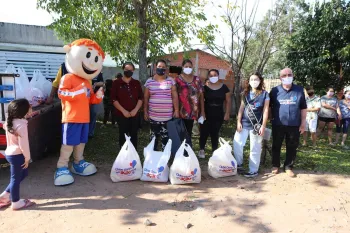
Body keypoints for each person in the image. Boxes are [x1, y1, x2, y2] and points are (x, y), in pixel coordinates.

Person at [269, 68, 307, 177]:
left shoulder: (299, 90)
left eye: (289, 74)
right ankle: (275, 165)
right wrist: (271, 118)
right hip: (278, 123)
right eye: (284, 75)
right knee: (276, 145)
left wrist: (303, 123)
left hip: (294, 124)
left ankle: (288, 166)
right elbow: (269, 106)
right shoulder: (274, 91)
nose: (287, 77)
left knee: (292, 146)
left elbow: (303, 107)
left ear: (293, 75)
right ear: (280, 78)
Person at [0, 99, 35, 210]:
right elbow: (23, 144)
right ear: (24, 111)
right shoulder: (21, 125)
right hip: (17, 155)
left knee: (23, 174)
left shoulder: (10, 122)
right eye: (29, 107)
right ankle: (15, 202)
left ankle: (5, 195)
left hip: (11, 153)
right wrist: (27, 158)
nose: (31, 108)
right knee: (15, 178)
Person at [233, 72, 269, 177]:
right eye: (252, 79)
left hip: (256, 126)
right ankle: (238, 165)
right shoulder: (245, 93)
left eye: (256, 79)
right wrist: (238, 121)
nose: (254, 81)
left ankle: (253, 170)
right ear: (249, 81)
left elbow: (265, 111)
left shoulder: (265, 94)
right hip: (243, 124)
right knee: (237, 144)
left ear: (260, 81)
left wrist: (263, 126)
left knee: (255, 148)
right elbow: (241, 109)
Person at [144, 59, 179, 150]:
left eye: (163, 67)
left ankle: (165, 160)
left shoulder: (171, 81)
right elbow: (146, 98)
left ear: (166, 69)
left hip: (167, 118)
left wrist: (176, 110)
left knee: (166, 140)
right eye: (159, 67)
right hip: (153, 117)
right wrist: (145, 111)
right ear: (156, 67)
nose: (161, 68)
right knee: (153, 139)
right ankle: (152, 159)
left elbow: (175, 96)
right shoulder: (149, 81)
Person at [198, 69, 231, 158]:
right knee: (204, 132)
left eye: (215, 75)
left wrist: (227, 113)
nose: (213, 77)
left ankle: (214, 151)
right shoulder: (205, 87)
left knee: (215, 132)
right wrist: (202, 112)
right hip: (206, 112)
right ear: (208, 77)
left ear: (218, 76)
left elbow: (228, 101)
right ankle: (201, 149)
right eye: (211, 76)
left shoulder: (224, 87)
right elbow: (201, 100)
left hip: (218, 113)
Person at [111, 62, 143, 149]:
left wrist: (135, 110)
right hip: (121, 115)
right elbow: (114, 99)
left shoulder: (136, 83)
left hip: (134, 114)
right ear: (123, 70)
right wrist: (123, 111)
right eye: (126, 70)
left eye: (130, 70)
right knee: (123, 136)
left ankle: (133, 157)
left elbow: (141, 98)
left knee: (134, 136)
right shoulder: (116, 83)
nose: (128, 71)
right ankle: (123, 157)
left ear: (133, 71)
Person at [175, 59, 205, 146]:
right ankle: (180, 151)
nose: (188, 68)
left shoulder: (197, 79)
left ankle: (187, 150)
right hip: (180, 111)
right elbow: (174, 96)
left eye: (190, 67)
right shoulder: (177, 79)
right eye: (186, 66)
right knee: (180, 132)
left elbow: (201, 96)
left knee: (188, 131)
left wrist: (202, 111)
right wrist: (175, 110)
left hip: (192, 112)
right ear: (182, 67)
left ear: (192, 68)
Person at [88, 72, 104, 138]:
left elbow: (102, 83)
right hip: (84, 98)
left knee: (93, 114)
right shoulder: (83, 70)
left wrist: (95, 84)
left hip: (94, 98)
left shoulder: (98, 72)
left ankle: (90, 133)